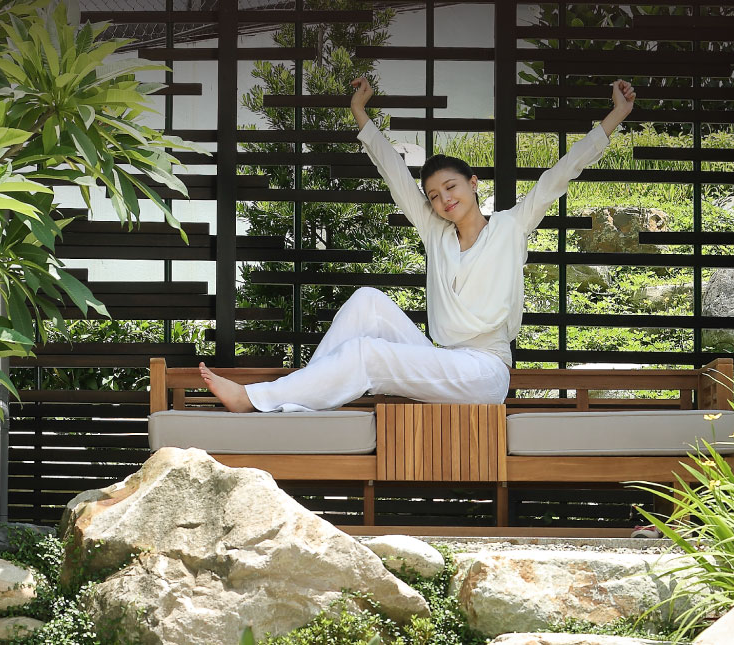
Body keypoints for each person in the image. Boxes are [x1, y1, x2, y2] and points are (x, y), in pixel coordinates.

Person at [199, 77, 636, 412]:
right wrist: (360, 113)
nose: (444, 199)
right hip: (441, 360)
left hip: (484, 372)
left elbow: (561, 172)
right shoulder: (436, 232)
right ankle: (299, 402)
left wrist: (616, 115)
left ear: (473, 183)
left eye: (451, 187)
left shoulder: (511, 226)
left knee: (368, 355)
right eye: (434, 195)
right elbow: (394, 173)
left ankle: (257, 399)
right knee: (366, 301)